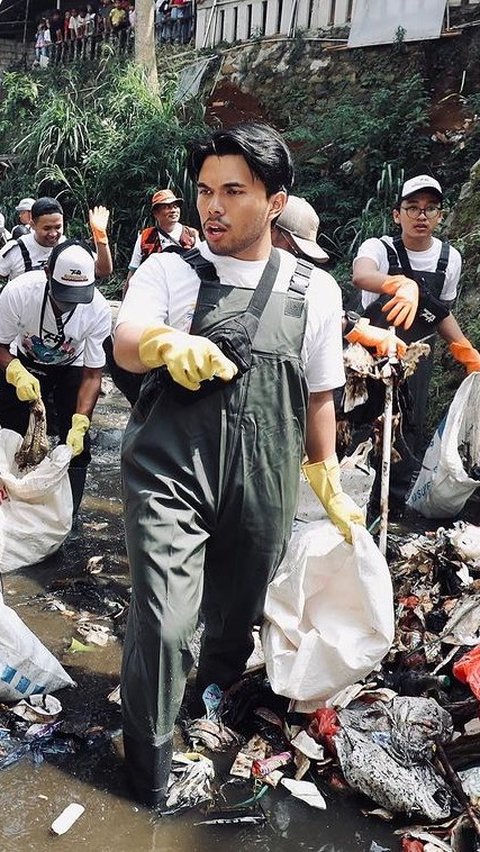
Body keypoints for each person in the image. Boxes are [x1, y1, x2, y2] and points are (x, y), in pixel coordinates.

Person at [113, 122, 364, 807]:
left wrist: (328, 475)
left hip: (264, 474)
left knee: (234, 619)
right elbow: (127, 339)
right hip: (170, 469)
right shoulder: (170, 270)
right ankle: (147, 764)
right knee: (163, 620)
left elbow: (318, 394)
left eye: (232, 191)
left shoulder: (314, 291)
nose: (211, 207)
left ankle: (208, 705)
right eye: (203, 191)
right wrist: (166, 341)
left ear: (275, 201)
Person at [352, 174, 480, 506]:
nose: (421, 216)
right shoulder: (379, 248)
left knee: (407, 429)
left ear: (440, 215)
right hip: (369, 354)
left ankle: (393, 506)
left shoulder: (449, 259)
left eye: (430, 208)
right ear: (397, 214)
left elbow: (440, 311)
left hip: (416, 357)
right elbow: (362, 274)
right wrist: (400, 284)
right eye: (412, 208)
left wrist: (465, 351)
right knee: (362, 423)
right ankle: (354, 499)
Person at [0, 239, 111, 515]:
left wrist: (82, 420)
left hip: (74, 364)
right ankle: (11, 501)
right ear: (48, 272)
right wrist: (15, 372)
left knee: (76, 444)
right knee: (10, 428)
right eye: (62, 295)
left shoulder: (97, 309)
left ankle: (67, 516)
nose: (68, 305)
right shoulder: (18, 292)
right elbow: (0, 346)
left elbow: (93, 374)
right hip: (24, 360)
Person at [272, 195, 407, 358]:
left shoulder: (309, 283)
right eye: (293, 250)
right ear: (271, 230)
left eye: (301, 255)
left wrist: (353, 328)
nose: (294, 261)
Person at [0, 197, 113, 282]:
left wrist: (100, 236)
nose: (53, 234)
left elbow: (103, 271)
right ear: (33, 225)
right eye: (47, 228)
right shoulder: (15, 249)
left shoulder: (70, 249)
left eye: (58, 227)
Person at [124, 188, 199, 292]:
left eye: (175, 206)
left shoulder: (191, 235)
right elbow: (133, 270)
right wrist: (126, 300)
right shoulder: (145, 237)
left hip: (183, 291)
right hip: (154, 291)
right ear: (156, 213)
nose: (173, 210)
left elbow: (199, 269)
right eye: (166, 207)